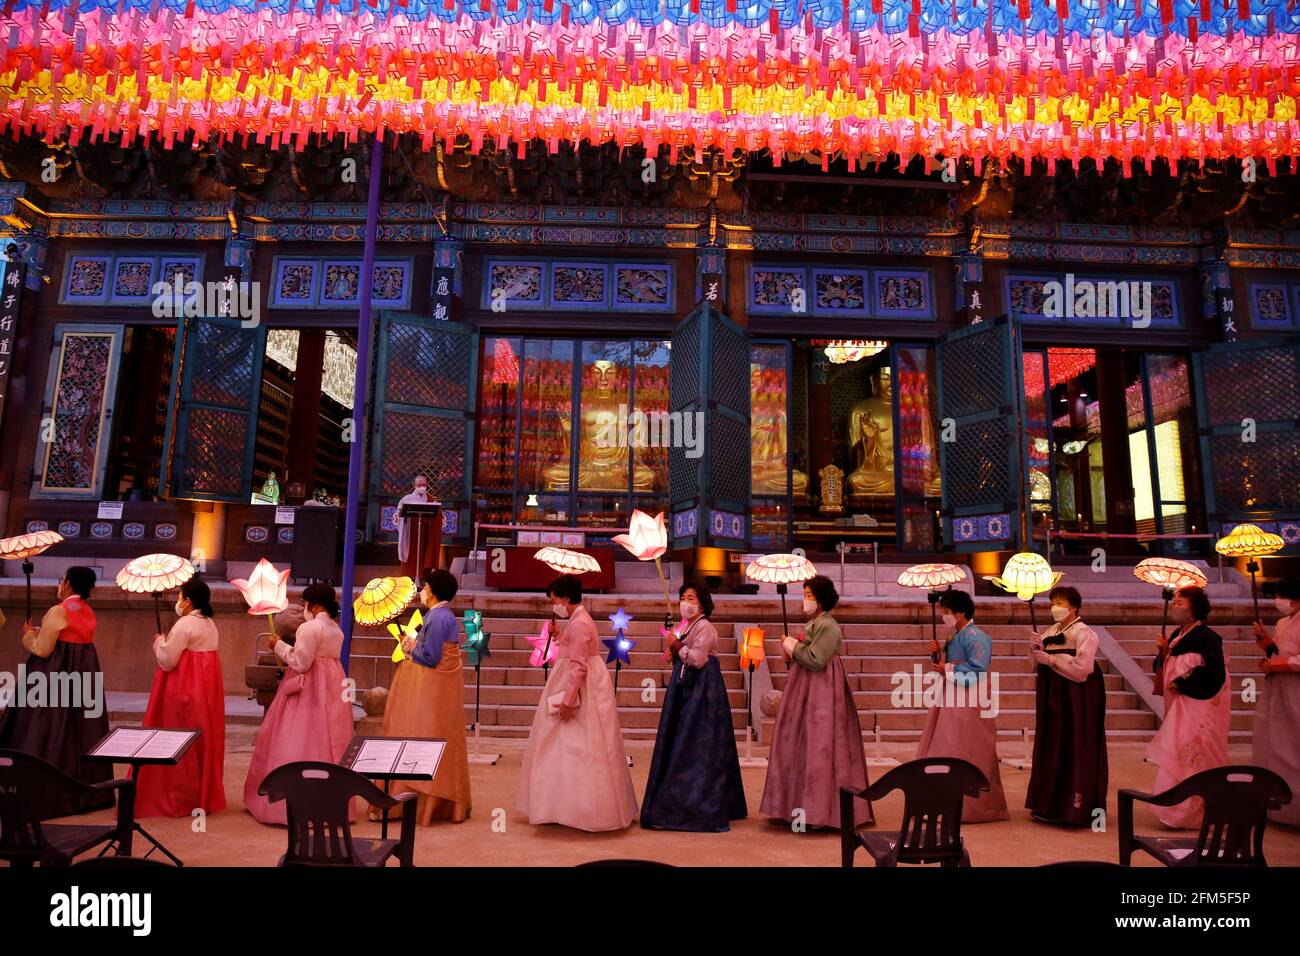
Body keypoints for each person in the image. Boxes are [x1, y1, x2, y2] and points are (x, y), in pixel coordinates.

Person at [516, 574, 637, 831]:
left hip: (579, 688)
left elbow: (579, 666)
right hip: (577, 681)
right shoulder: (577, 620)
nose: (554, 604)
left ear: (565, 598)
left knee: (577, 745)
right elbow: (573, 651)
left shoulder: (580, 622)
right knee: (572, 744)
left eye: (555, 599)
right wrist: (560, 635)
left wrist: (569, 700)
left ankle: (578, 808)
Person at [760, 574, 873, 829]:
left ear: (821, 599)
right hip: (806, 688)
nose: (805, 600)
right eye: (804, 594)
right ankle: (800, 808)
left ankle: (822, 812)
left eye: (809, 595)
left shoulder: (829, 626)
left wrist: (792, 645)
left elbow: (816, 659)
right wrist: (790, 651)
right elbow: (804, 656)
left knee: (821, 741)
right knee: (803, 742)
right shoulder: (814, 623)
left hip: (823, 690)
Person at [0, 566, 113, 816]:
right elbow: (70, 638)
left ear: (69, 584)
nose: (60, 584)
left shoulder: (58, 610)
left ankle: (37, 787)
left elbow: (43, 649)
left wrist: (29, 635)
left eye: (62, 580)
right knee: (79, 728)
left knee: (44, 726)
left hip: (54, 674)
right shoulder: (87, 610)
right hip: (83, 672)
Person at [244, 584, 356, 826]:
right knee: (328, 738)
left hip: (310, 686)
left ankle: (287, 804)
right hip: (333, 682)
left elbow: (301, 662)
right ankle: (330, 803)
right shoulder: (336, 629)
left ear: (314, 605)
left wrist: (279, 646)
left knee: (296, 735)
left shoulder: (309, 627)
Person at [640, 582, 747, 832]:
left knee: (697, 744)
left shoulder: (705, 627)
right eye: (683, 597)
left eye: (690, 597)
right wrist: (673, 650)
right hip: (687, 691)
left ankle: (696, 801)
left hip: (702, 694)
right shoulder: (688, 626)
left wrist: (676, 646)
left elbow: (697, 660)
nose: (685, 602)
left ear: (701, 603)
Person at [374, 568, 471, 824]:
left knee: (424, 734)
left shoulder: (437, 617)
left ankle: (425, 796)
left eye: (426, 586)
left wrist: (410, 645)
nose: (422, 590)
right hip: (437, 688)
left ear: (433, 590)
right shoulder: (441, 616)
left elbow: (431, 657)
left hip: (432, 688)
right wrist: (413, 644)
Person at [914, 590, 1010, 823]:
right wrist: (938, 655)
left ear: (961, 612)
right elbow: (952, 664)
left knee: (964, 744)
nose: (944, 616)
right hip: (954, 691)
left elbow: (978, 668)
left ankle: (969, 806)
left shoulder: (977, 637)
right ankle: (945, 801)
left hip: (970, 696)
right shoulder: (957, 635)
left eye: (947, 612)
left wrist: (947, 669)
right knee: (948, 742)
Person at [134, 578, 226, 818]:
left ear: (187, 601)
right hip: (205, 691)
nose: (178, 601)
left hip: (184, 689)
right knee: (201, 743)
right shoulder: (209, 624)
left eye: (180, 596)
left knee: (177, 737)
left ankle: (177, 795)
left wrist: (158, 642)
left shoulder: (185, 624)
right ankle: (200, 795)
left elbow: (167, 659)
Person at [1146, 586, 1230, 828]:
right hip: (1179, 704)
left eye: (1180, 603)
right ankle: (1176, 809)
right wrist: (1163, 653)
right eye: (1174, 602)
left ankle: (1199, 812)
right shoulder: (1176, 635)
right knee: (1178, 750)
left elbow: (1214, 673)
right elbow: (1164, 667)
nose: (1174, 606)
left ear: (1193, 611)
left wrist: (1182, 683)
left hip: (1199, 706)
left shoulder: (1208, 637)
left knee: (1194, 751)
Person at [1026, 585, 1108, 826]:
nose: (1055, 607)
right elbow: (1036, 663)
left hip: (1075, 694)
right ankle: (1048, 803)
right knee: (1053, 743)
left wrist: (1051, 659)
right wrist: (1035, 649)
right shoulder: (1051, 630)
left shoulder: (1085, 632)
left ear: (1073, 606)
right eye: (1053, 602)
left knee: (1074, 742)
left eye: (1060, 603)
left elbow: (1084, 669)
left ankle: (1075, 807)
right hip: (1053, 692)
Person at [1251, 577, 1300, 826]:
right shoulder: (1284, 622)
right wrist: (1266, 641)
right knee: (1277, 743)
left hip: (1296, 689)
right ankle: (1277, 803)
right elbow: (1278, 652)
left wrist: (1279, 664)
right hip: (1278, 689)